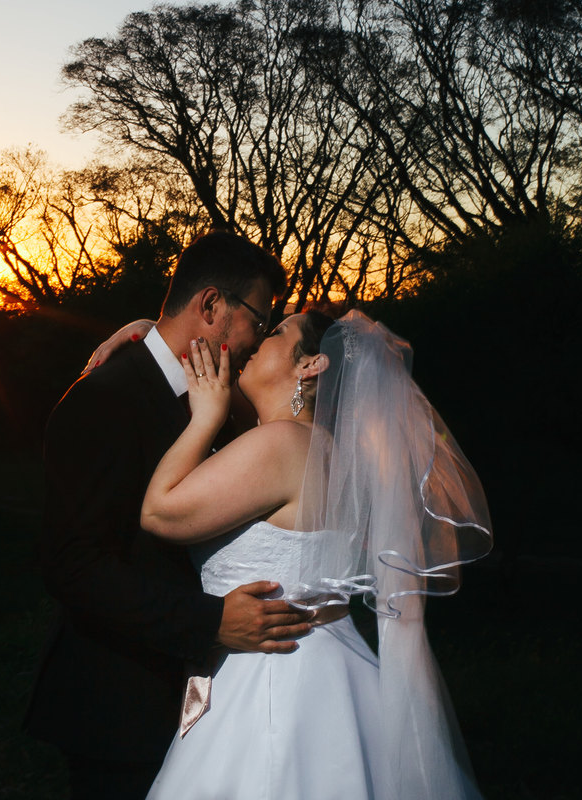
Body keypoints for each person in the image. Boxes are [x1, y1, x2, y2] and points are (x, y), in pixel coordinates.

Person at [141, 309, 493, 799]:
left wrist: (206, 417)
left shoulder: (280, 444)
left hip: (270, 680)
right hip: (333, 664)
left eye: (277, 332)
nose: (259, 339)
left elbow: (159, 512)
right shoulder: (330, 452)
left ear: (310, 366)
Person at [23, 231, 315, 799]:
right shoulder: (103, 398)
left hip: (215, 705)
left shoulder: (229, 397)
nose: (260, 336)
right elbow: (71, 565)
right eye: (259, 316)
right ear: (211, 306)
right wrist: (208, 623)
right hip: (120, 703)